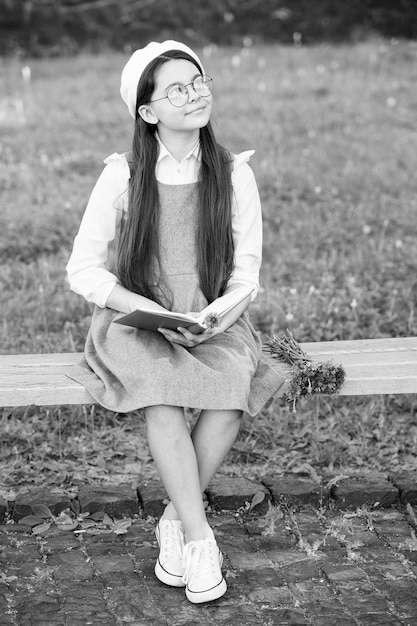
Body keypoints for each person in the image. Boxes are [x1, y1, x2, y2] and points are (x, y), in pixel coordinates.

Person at [66, 40, 284, 604]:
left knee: (231, 390)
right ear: (147, 111)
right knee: (160, 391)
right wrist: (146, 309)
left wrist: (212, 318)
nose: (195, 94)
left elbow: (246, 275)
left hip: (212, 316)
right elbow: (83, 270)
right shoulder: (123, 176)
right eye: (177, 89)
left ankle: (172, 519)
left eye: (199, 80)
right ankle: (201, 537)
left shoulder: (234, 174)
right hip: (137, 321)